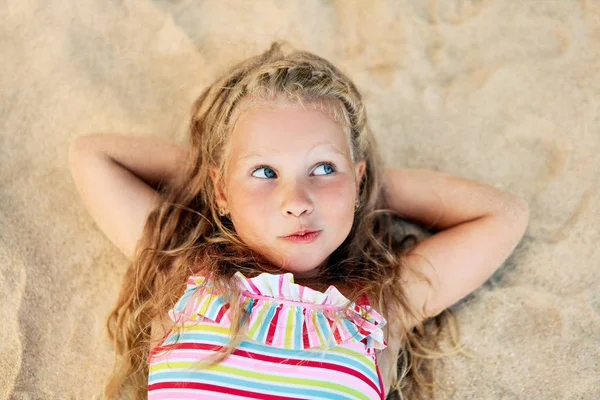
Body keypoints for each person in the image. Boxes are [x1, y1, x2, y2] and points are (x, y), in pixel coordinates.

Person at [68, 40, 530, 400]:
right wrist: (217, 175)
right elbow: (93, 155)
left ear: (357, 181)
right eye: (265, 172)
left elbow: (504, 215)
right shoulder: (187, 280)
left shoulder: (378, 310)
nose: (298, 201)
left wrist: (361, 187)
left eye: (324, 169)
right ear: (222, 191)